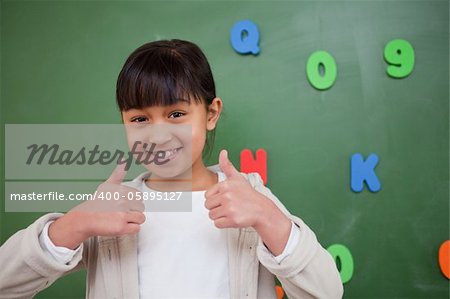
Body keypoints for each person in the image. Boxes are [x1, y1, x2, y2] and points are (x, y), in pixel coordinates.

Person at [0, 39, 343, 299]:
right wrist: (72, 225)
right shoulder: (113, 207)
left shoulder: (248, 198)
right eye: (139, 119)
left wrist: (269, 219)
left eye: (176, 114)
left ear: (211, 114)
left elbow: (328, 292)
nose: (159, 134)